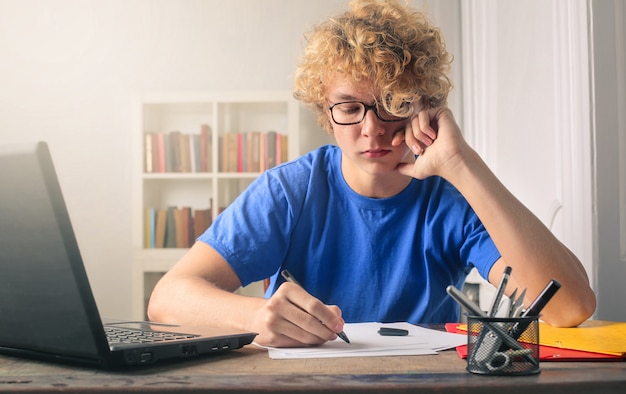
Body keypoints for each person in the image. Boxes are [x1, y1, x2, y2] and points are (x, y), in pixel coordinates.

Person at [148, 0, 596, 347]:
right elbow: (168, 298)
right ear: (325, 112)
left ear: (424, 104)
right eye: (349, 107)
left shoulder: (452, 198)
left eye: (394, 104)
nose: (373, 128)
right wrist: (254, 317)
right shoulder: (289, 191)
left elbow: (570, 307)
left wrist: (461, 163)